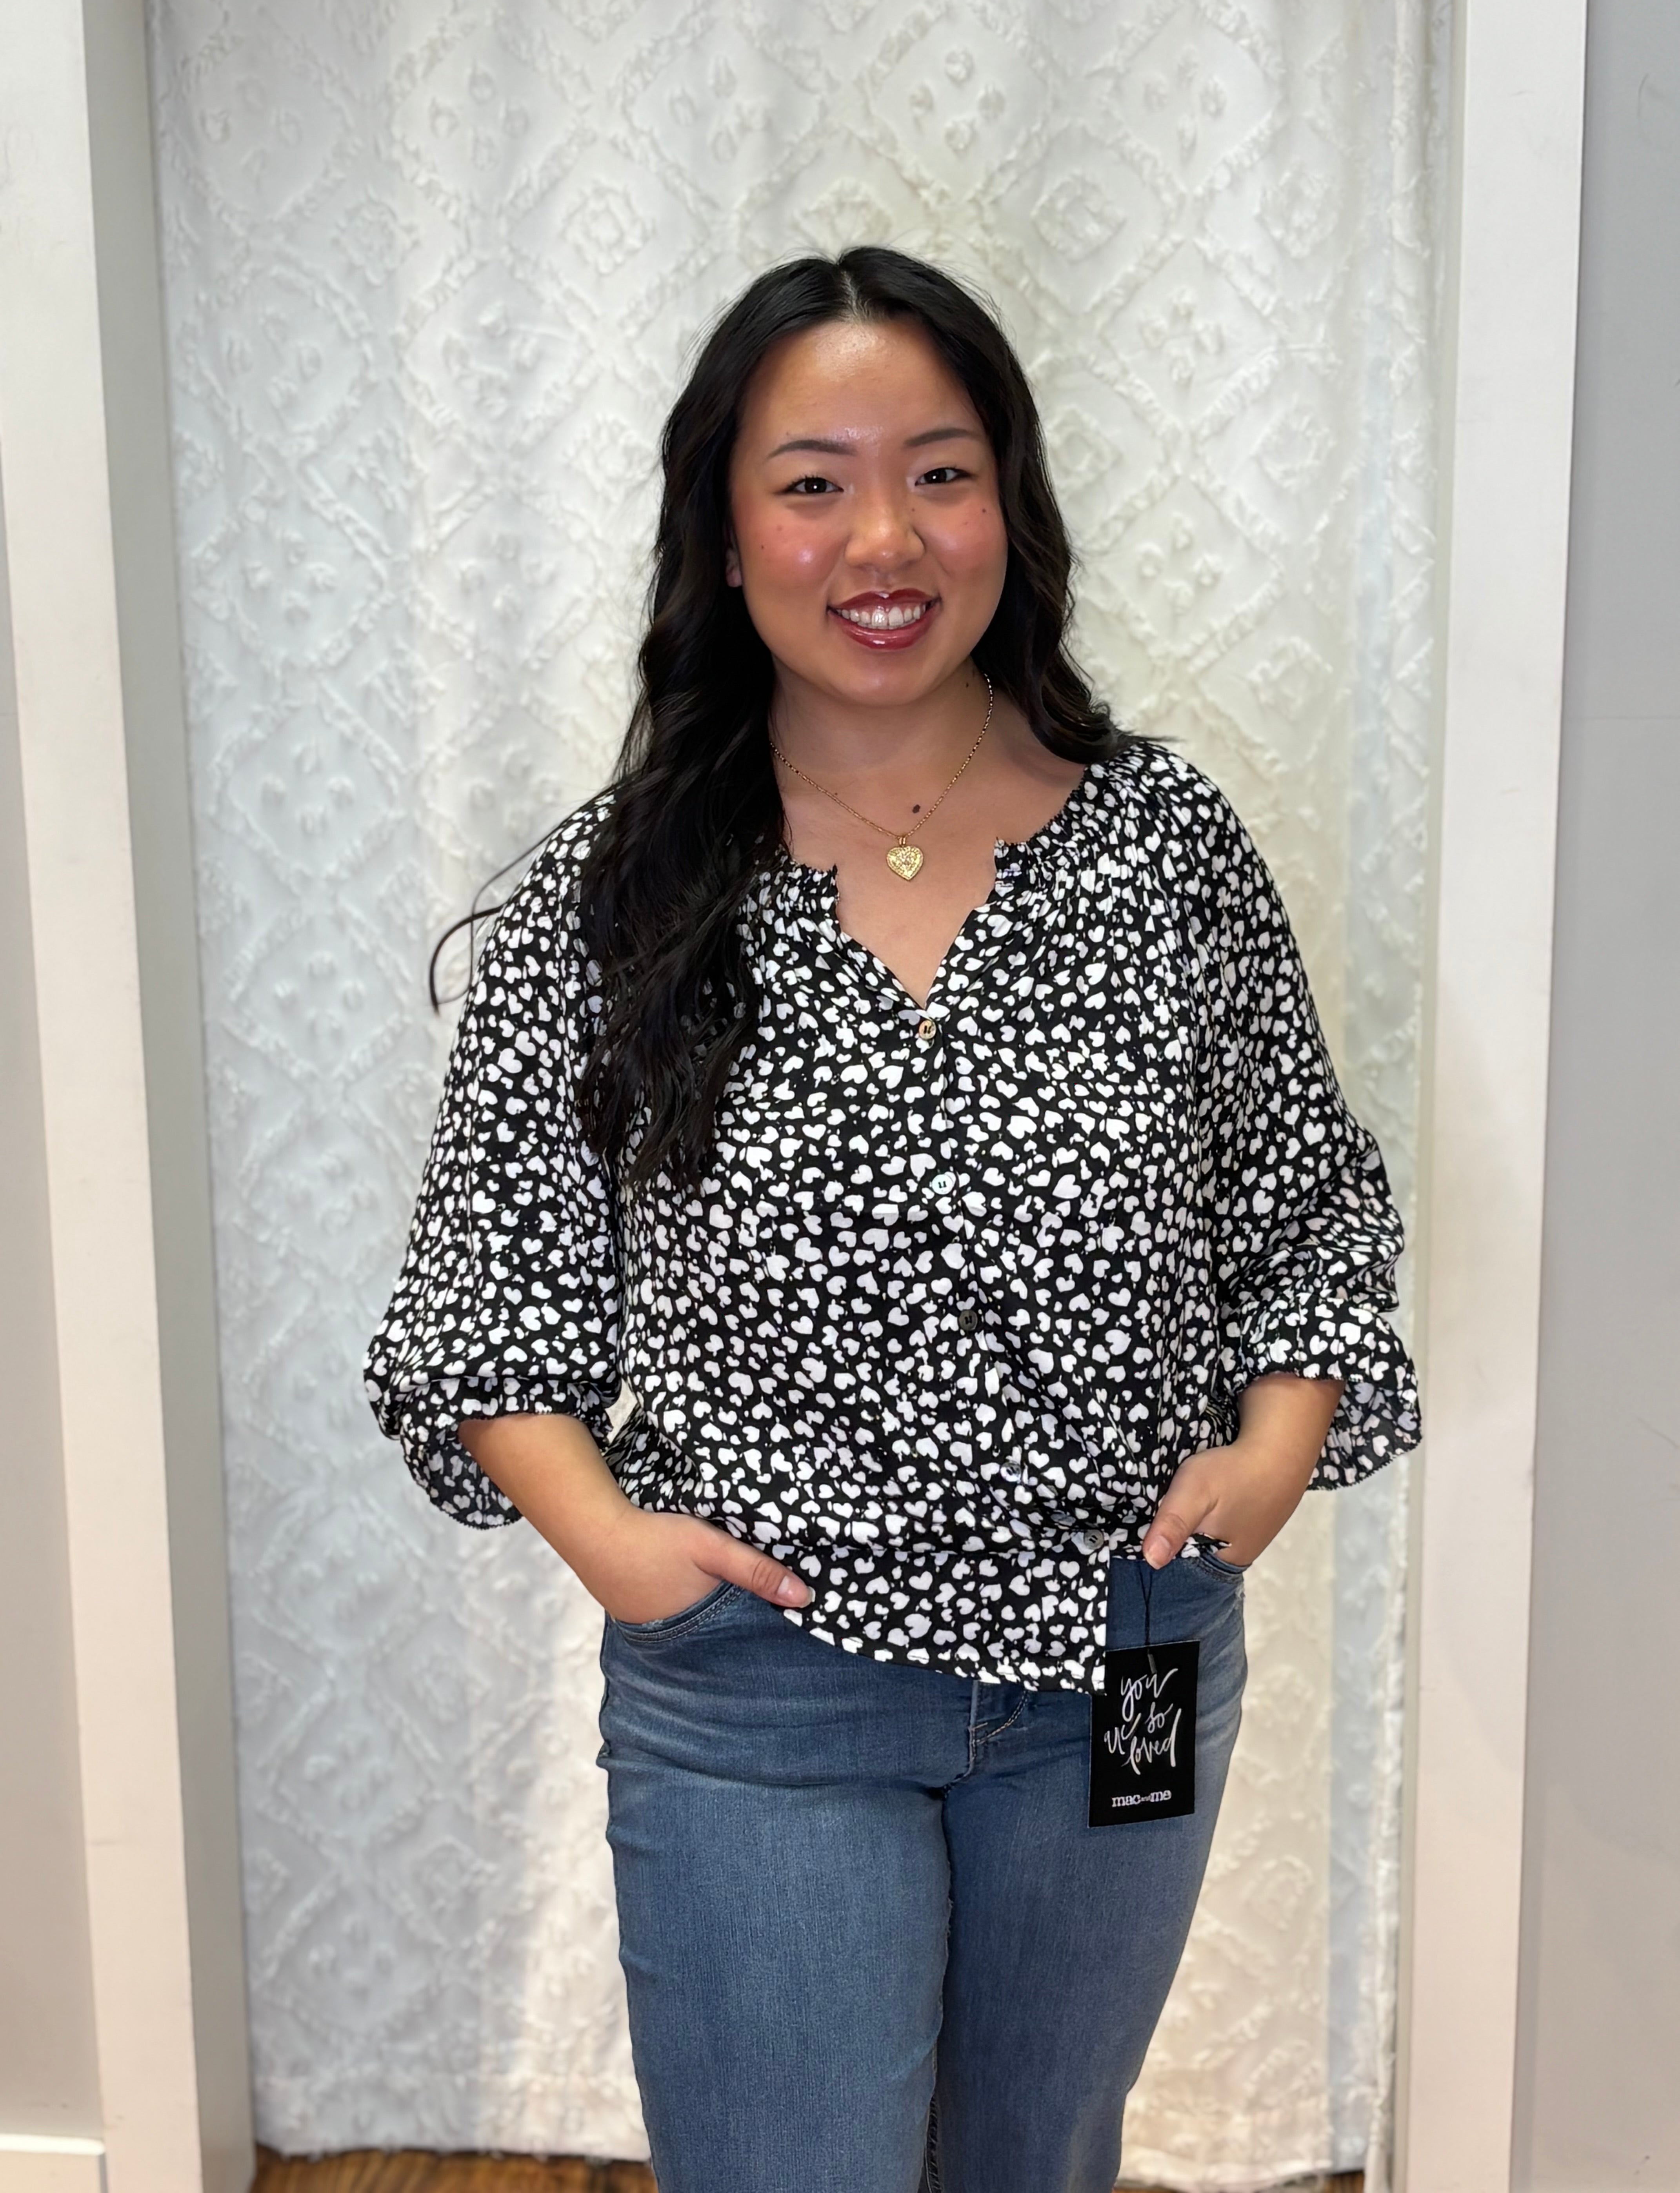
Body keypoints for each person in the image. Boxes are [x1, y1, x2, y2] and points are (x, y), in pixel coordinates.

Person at [366, 247, 1418, 2193]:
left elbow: (1306, 1201)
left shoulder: (1160, 848)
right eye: (813, 477)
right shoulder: (630, 890)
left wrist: (1271, 1459)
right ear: (726, 525)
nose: (886, 536)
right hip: (768, 1695)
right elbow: (480, 1298)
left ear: (1010, 502)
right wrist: (615, 1545)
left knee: (1042, 2160)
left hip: (1129, 1657)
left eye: (941, 471)